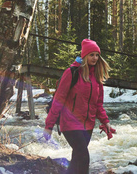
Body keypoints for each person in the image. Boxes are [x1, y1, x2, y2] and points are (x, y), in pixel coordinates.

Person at [44, 39, 113, 174]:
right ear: (84, 56)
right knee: (83, 157)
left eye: (97, 55)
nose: (95, 58)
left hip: (88, 125)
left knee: (76, 159)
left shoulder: (97, 78)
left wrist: (105, 121)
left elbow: (98, 105)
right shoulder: (72, 73)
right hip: (70, 124)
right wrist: (48, 126)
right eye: (91, 55)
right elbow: (58, 100)